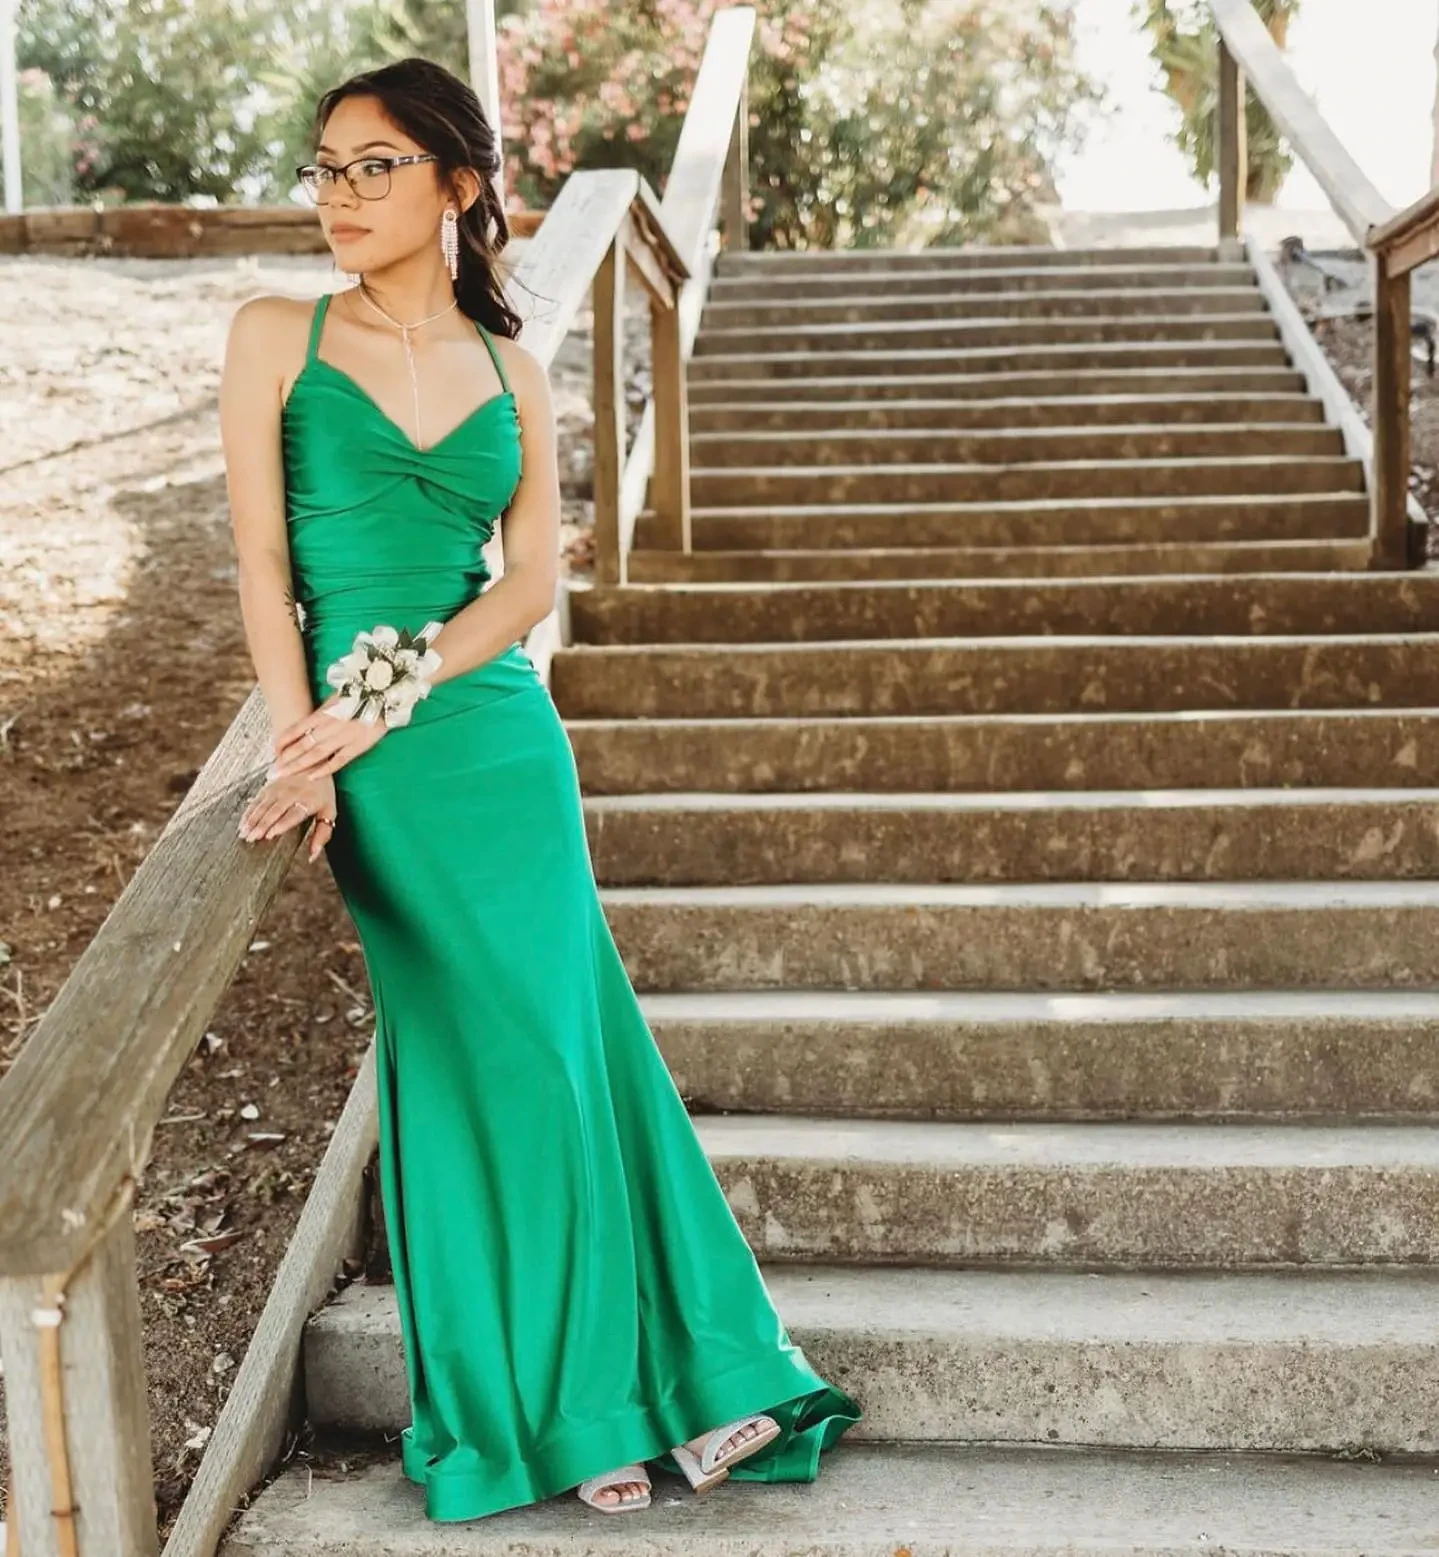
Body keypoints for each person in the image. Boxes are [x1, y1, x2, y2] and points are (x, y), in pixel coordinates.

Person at [220, 55, 861, 1524]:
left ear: (456, 181)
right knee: (482, 1063)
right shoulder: (274, 335)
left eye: (370, 166)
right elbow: (262, 562)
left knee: (578, 1050)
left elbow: (529, 581)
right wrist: (306, 732)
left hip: (496, 736)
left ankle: (689, 1381)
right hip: (375, 772)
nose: (337, 195)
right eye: (323, 168)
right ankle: (552, 1409)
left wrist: (399, 680)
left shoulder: (512, 368)